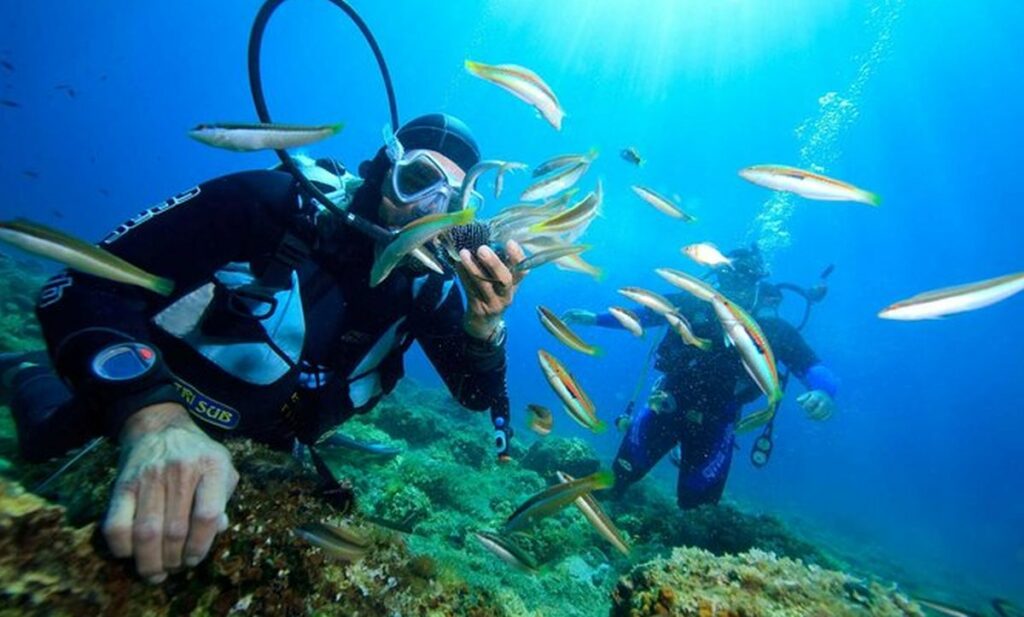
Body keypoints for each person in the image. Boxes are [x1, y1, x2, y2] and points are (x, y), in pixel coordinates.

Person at [0, 113, 525, 583]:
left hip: (272, 457)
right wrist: (153, 421)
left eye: (450, 205)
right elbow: (80, 285)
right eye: (416, 181)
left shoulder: (426, 288)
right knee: (45, 440)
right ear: (383, 168)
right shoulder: (269, 206)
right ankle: (22, 371)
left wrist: (485, 327)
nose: (424, 214)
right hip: (149, 413)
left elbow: (474, 394)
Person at [563, 245, 839, 510]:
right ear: (718, 275)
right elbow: (643, 314)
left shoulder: (772, 329)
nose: (734, 286)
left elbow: (812, 367)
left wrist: (824, 393)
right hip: (666, 404)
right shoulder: (690, 302)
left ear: (756, 283)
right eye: (727, 277)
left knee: (698, 505)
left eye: (743, 280)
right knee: (621, 475)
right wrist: (595, 318)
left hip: (717, 421)